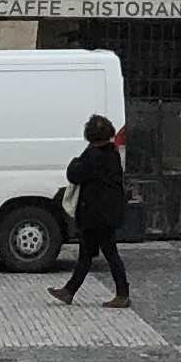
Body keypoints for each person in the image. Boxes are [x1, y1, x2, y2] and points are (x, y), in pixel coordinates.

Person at [49, 113, 129, 312]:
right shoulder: (112, 153)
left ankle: (122, 294)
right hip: (105, 213)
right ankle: (69, 291)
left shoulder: (93, 155)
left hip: (95, 215)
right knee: (89, 254)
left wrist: (75, 161)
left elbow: (74, 174)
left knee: (107, 253)